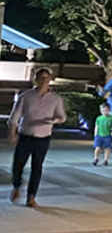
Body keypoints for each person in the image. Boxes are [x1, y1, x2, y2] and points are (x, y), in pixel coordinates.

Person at [8, 68, 67, 207]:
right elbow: (14, 117)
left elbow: (62, 116)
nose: (43, 81)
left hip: (43, 136)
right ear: (36, 79)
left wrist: (55, 120)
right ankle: (17, 185)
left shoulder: (55, 99)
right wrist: (12, 133)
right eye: (41, 78)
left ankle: (31, 196)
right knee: (18, 163)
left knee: (37, 166)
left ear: (50, 80)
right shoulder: (26, 96)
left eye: (46, 78)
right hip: (26, 135)